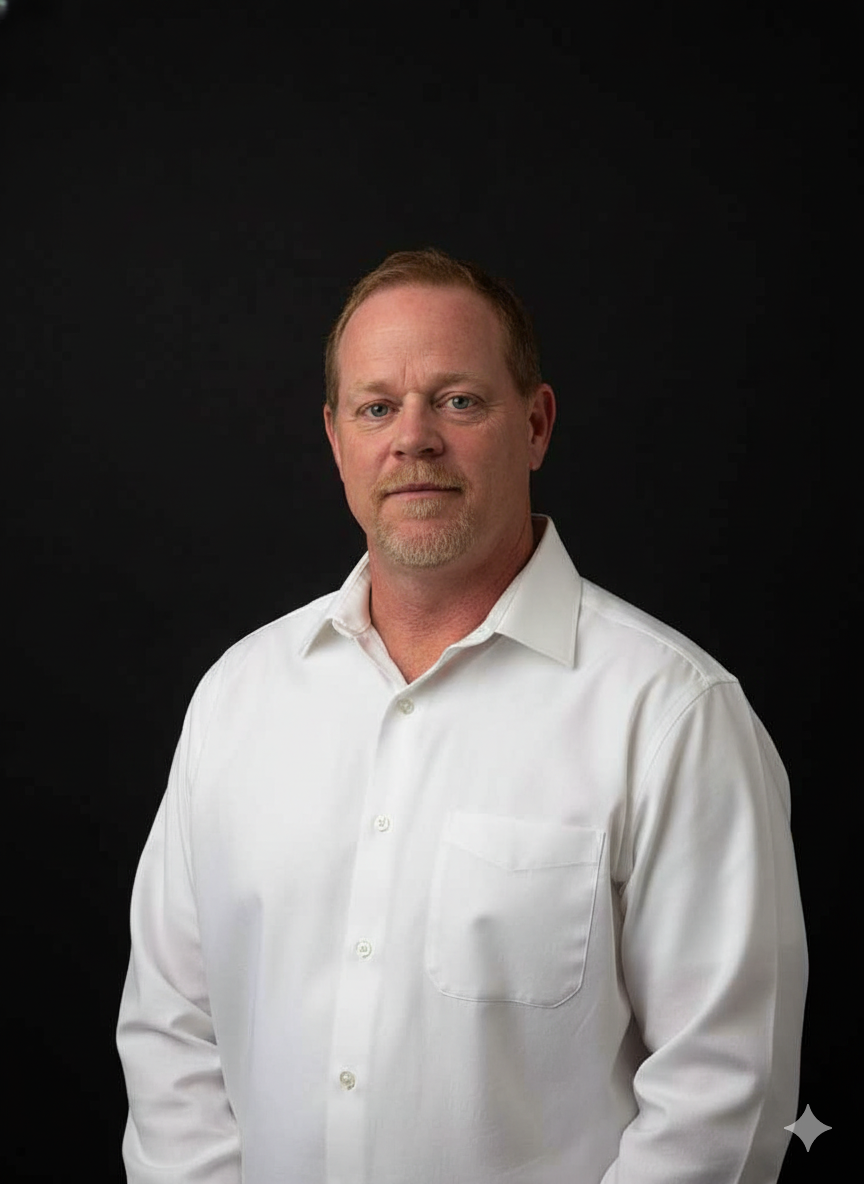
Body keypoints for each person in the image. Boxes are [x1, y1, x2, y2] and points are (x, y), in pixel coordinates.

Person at [117, 248, 808, 1183]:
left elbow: (723, 1095)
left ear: (536, 423)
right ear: (335, 439)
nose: (414, 439)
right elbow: (172, 1033)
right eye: (376, 408)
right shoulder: (237, 699)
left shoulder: (672, 716)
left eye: (457, 400)